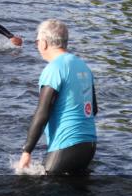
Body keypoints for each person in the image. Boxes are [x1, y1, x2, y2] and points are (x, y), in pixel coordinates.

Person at [18, 19, 97, 175]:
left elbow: (42, 113)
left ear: (44, 43)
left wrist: (27, 151)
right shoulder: (83, 65)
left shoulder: (54, 69)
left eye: (37, 41)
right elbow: (93, 108)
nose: (37, 45)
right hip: (89, 144)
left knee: (46, 194)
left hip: (66, 145)